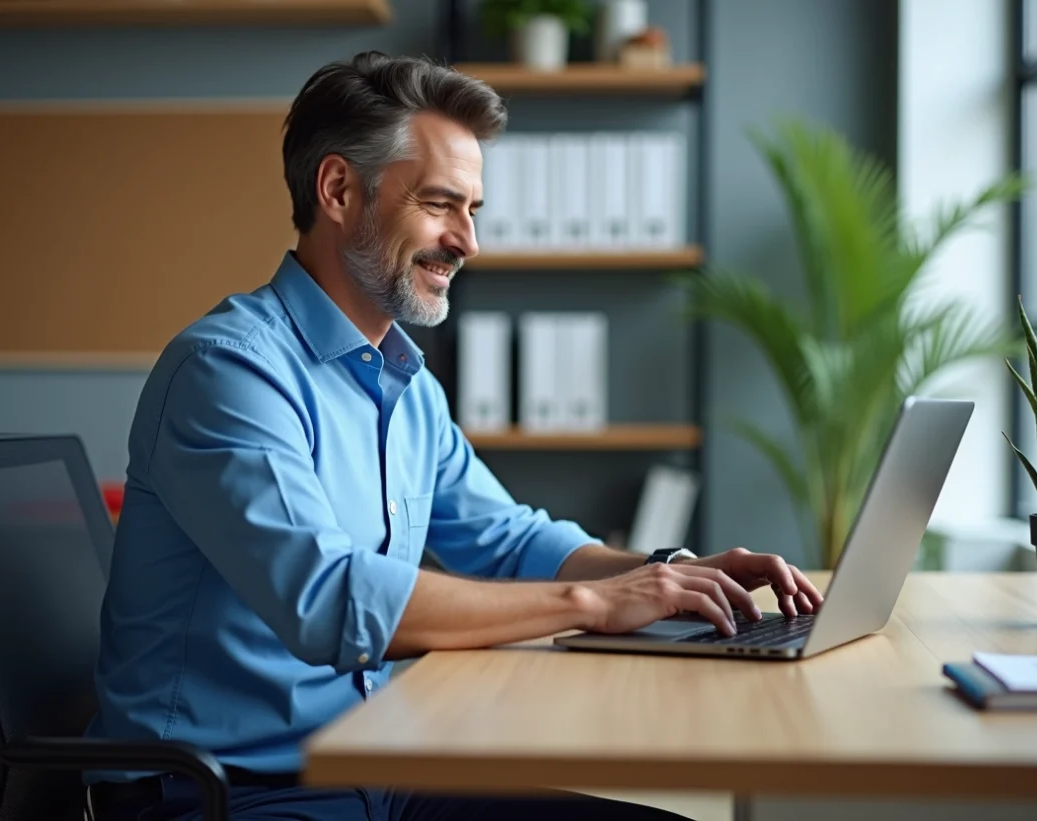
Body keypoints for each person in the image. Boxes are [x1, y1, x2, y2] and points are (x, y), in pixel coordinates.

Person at [83, 51, 824, 821]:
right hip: (226, 794)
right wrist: (596, 601)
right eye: (441, 205)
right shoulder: (228, 372)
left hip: (375, 766)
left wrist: (672, 573)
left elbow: (507, 540)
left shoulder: (405, 384)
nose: (467, 241)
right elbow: (330, 601)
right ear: (339, 190)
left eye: (473, 211)